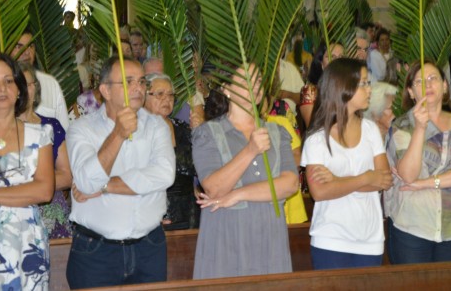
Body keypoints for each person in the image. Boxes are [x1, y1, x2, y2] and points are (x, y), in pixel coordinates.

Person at [66, 56, 175, 288]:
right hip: (96, 251)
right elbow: (86, 182)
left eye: (142, 82)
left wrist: (105, 186)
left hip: (149, 247)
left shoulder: (157, 126)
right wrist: (118, 134)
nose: (138, 88)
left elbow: (164, 174)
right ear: (105, 90)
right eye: (128, 82)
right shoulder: (81, 128)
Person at [192, 63, 298, 279]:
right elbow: (214, 188)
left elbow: (290, 184)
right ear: (226, 89)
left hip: (270, 235)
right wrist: (250, 150)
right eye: (245, 81)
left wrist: (238, 194)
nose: (254, 86)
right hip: (226, 236)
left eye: (257, 80)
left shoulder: (276, 132)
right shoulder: (208, 133)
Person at [301, 58, 392, 269]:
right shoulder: (317, 138)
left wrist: (337, 181)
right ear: (343, 87)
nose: (369, 89)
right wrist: (366, 177)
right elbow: (320, 192)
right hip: (330, 238)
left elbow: (384, 180)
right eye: (363, 83)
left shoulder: (370, 130)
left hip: (370, 239)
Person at [385, 61, 451, 264]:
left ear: (445, 86)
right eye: (420, 81)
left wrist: (426, 183)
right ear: (410, 92)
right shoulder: (402, 126)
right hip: (412, 225)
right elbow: (409, 175)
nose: (427, 85)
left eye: (433, 79)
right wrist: (419, 128)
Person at [0, 53, 54, 290]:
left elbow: (44, 190)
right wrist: (21, 192)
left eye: (8, 81)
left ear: (19, 89)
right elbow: (31, 188)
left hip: (26, 243)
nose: (2, 88)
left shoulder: (39, 134)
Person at [18, 63, 73, 239]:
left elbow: (66, 176)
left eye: (28, 84)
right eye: (18, 84)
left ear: (36, 88)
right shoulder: (2, 129)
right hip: (12, 210)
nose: (25, 90)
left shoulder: (51, 126)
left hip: (51, 212)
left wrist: (29, 183)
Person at [144, 73, 200, 230]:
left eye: (170, 95)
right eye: (160, 94)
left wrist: (200, 134)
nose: (166, 99)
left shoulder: (182, 127)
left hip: (188, 209)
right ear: (144, 97)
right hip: (154, 208)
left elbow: (196, 165)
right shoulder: (136, 131)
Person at [10, 31, 69, 130]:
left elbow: (64, 128)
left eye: (30, 46)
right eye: (18, 46)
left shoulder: (50, 83)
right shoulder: (0, 86)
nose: (27, 52)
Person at [299, 42, 344, 128]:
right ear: (321, 63)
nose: (338, 62)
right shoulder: (310, 92)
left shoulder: (350, 89)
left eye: (341, 57)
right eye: (331, 57)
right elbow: (313, 128)